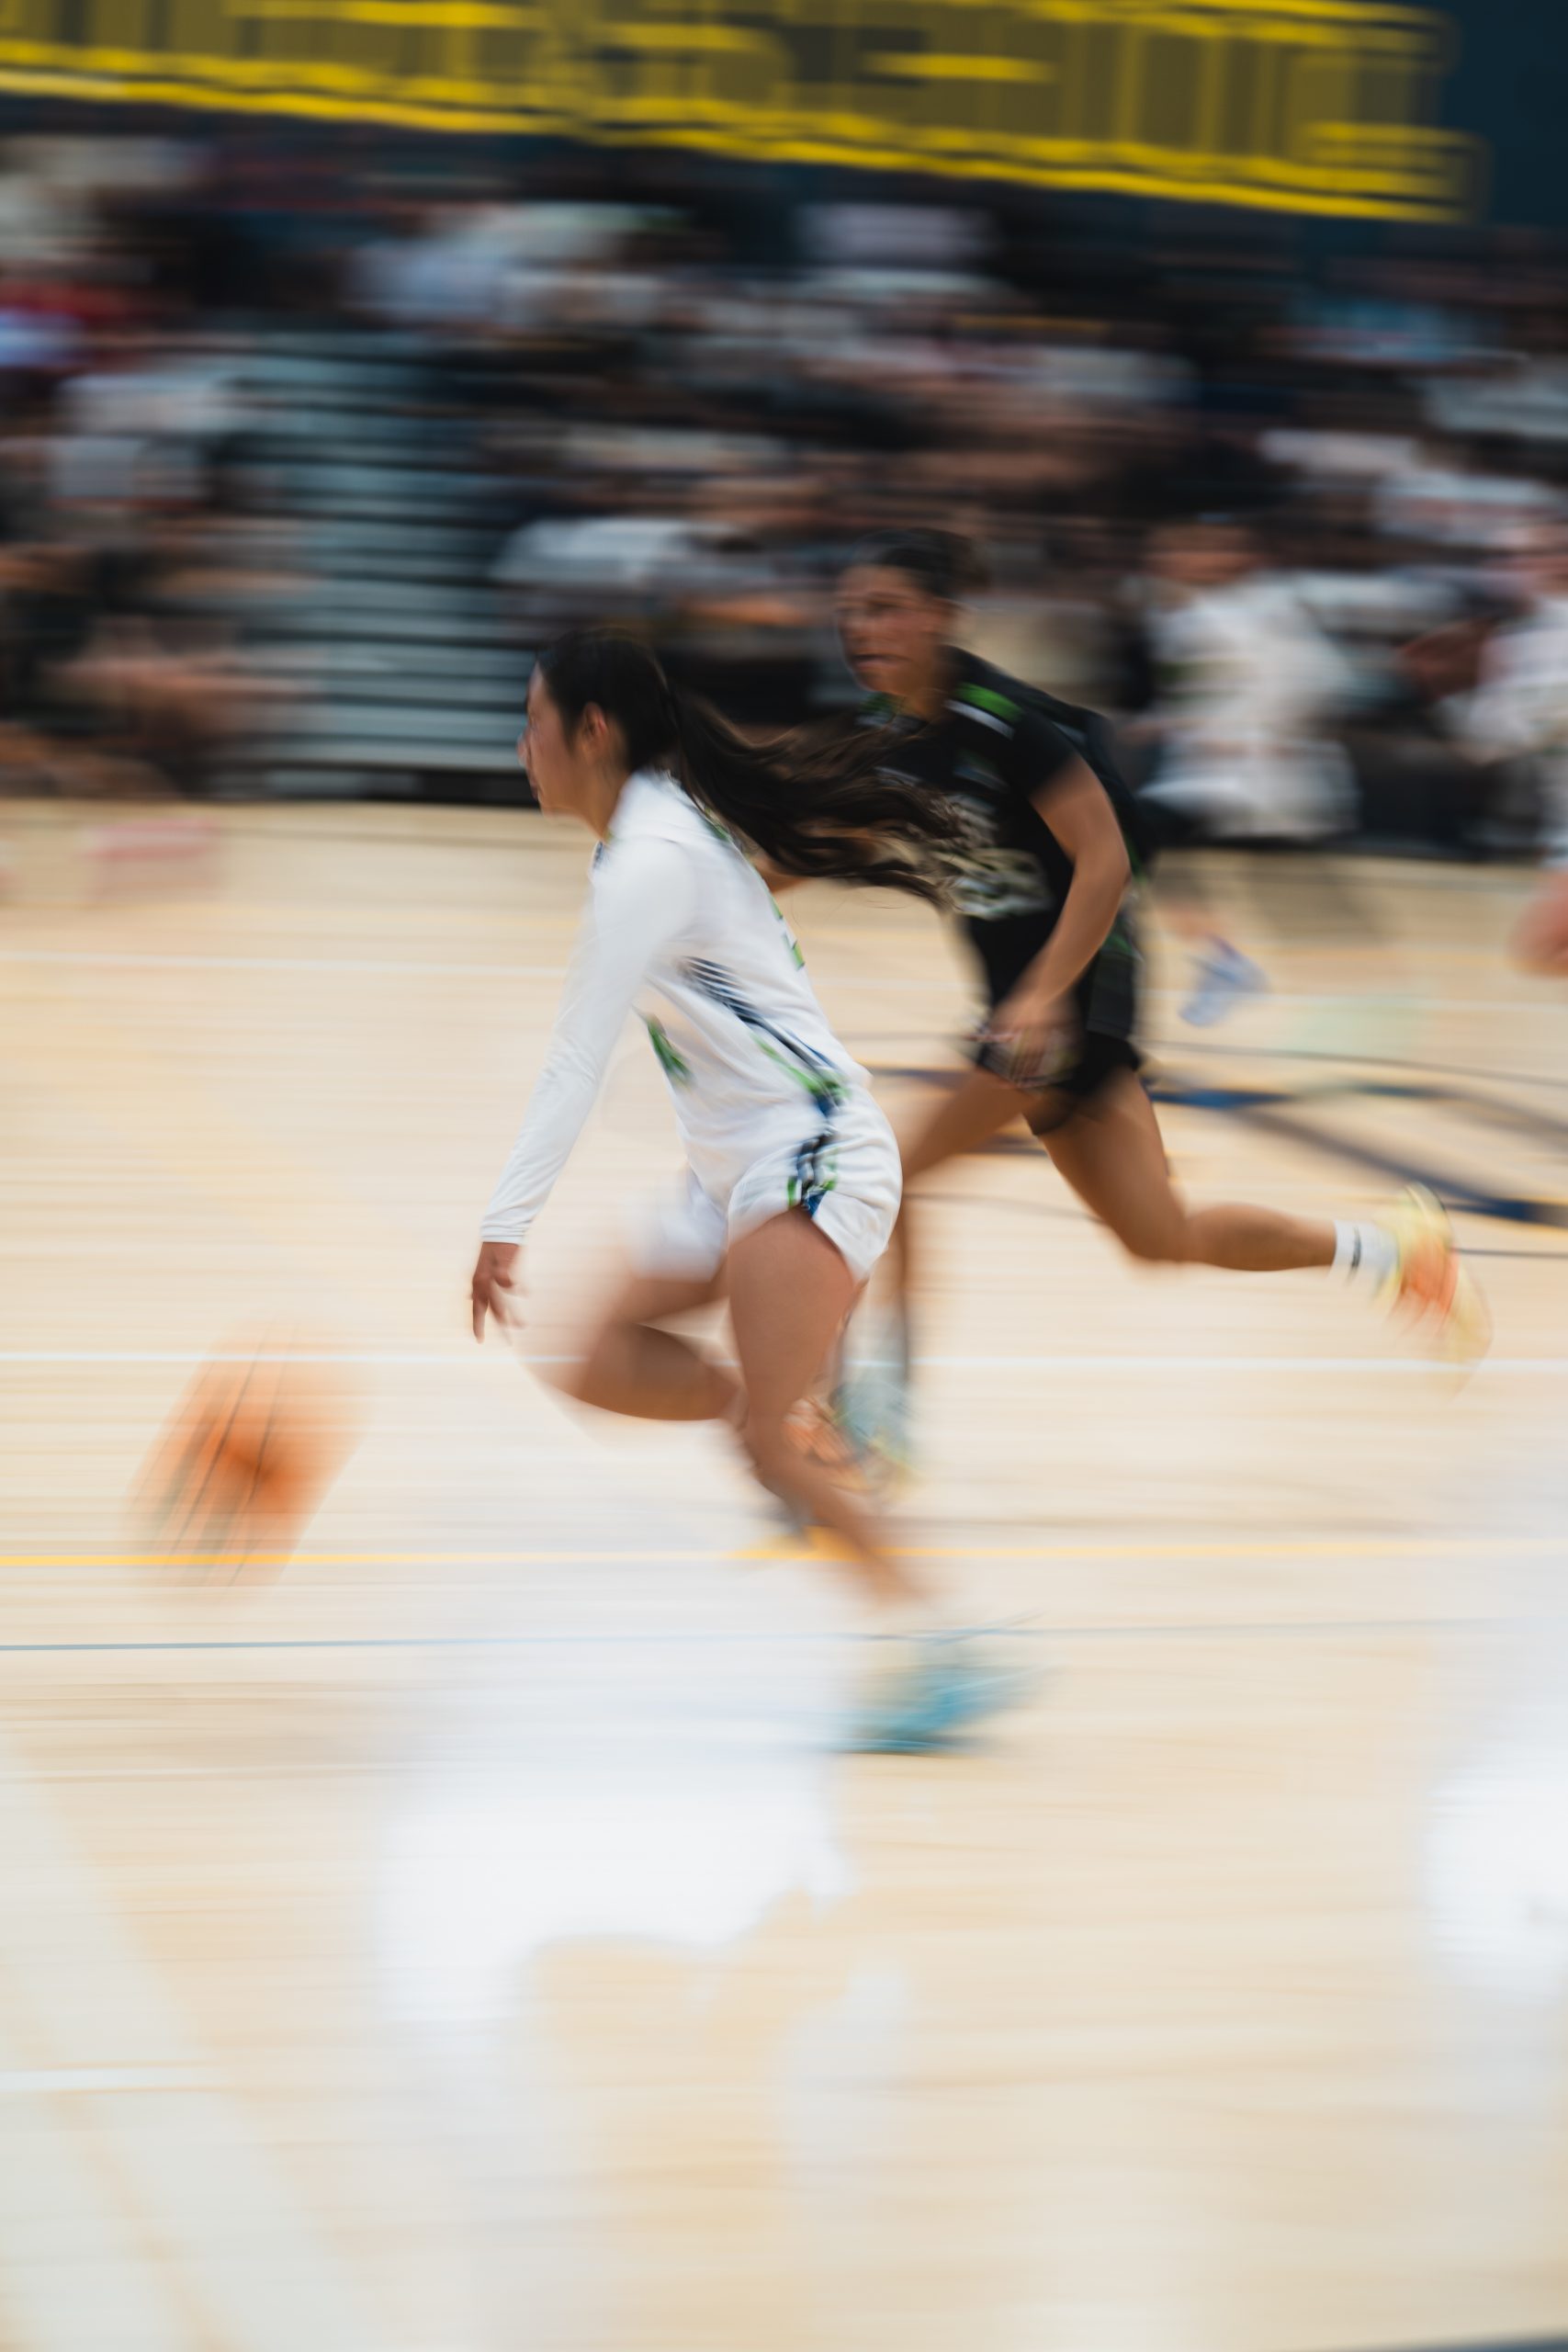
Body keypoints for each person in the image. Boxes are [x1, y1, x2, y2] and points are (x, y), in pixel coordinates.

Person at [821, 529, 1486, 1467]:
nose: (861, 628)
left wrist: (1043, 993)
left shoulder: (1006, 724)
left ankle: (878, 1416)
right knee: (1159, 1234)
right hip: (1047, 1012)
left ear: (939, 617)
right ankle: (1391, 1251)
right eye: (850, 612)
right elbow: (817, 843)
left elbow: (1108, 861)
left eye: (885, 609)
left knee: (882, 1173)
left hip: (1069, 1002)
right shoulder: (890, 738)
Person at [468, 628, 1021, 1751]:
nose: (521, 744)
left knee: (771, 1444)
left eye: (534, 721)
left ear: (593, 731)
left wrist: (503, 1225)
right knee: (594, 1359)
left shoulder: (650, 856)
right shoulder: (655, 830)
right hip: (733, 1172)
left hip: (810, 1158)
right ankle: (807, 1417)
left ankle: (944, 1646)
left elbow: (575, 1061)